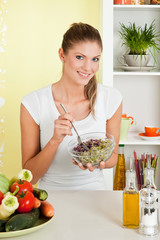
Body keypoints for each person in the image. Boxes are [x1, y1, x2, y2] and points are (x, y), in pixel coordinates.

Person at [20, 22, 122, 190]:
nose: (88, 68)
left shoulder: (111, 98)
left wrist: (95, 160)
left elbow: (113, 158)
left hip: (95, 197)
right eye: (80, 57)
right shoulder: (33, 103)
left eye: (95, 59)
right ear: (62, 55)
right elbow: (29, 178)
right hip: (50, 201)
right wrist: (55, 140)